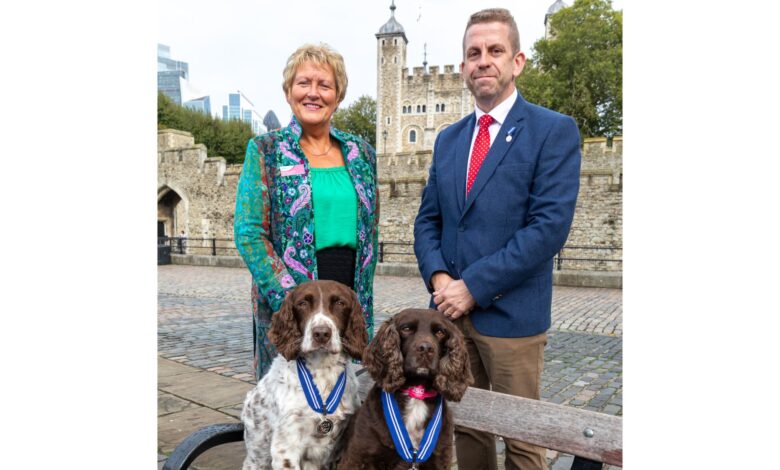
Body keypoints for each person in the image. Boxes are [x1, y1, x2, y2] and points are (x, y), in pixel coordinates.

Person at [413, 8, 581, 470]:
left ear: (517, 61)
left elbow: (548, 228)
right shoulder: (449, 139)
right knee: (465, 429)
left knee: (524, 441)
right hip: (449, 315)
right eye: (473, 53)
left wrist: (474, 286)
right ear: (464, 67)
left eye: (494, 51)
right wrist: (442, 277)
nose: (483, 61)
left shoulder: (553, 131)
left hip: (512, 320)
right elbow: (428, 221)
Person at [234, 43, 379, 380]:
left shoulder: (362, 153)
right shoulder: (266, 150)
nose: (313, 93)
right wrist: (293, 302)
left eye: (324, 85)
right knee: (291, 403)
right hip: (294, 302)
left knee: (346, 400)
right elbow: (250, 233)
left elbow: (370, 232)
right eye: (303, 84)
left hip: (347, 298)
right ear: (288, 92)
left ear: (338, 95)